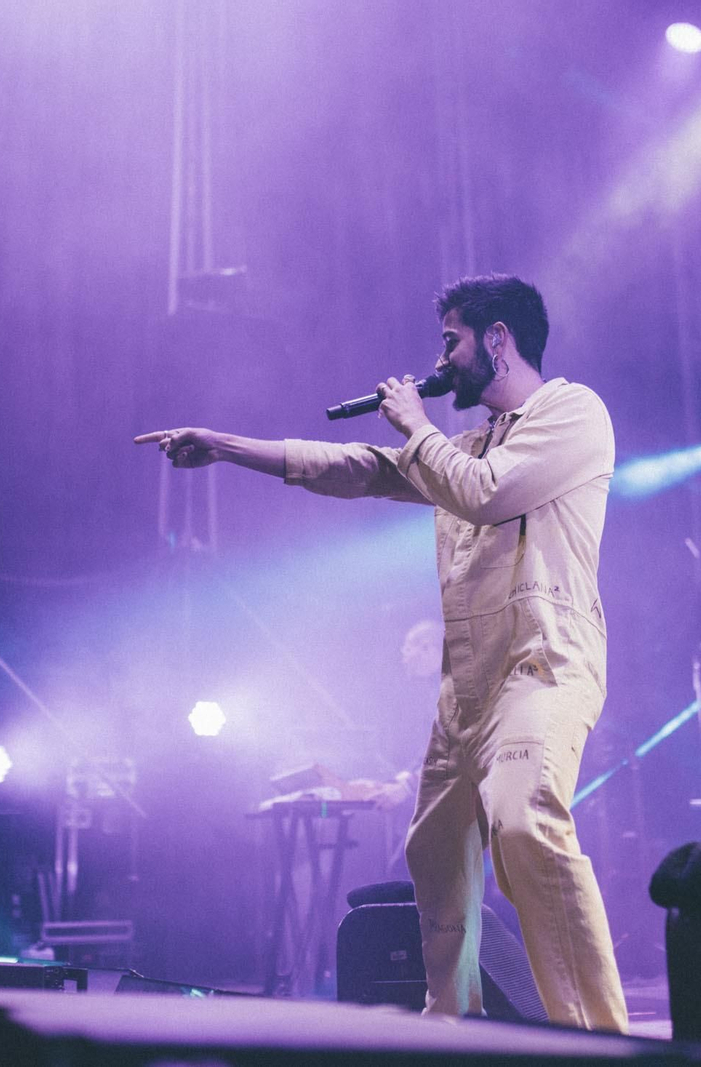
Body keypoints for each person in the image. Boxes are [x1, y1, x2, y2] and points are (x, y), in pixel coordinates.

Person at [136, 274, 627, 1032]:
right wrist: (227, 446)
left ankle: (598, 1038)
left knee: (522, 818)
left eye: (452, 339)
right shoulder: (458, 445)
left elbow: (488, 491)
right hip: (468, 687)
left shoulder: (573, 412)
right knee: (433, 851)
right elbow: (359, 467)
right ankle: (450, 1027)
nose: (442, 356)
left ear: (498, 338)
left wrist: (415, 423)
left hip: (544, 663)